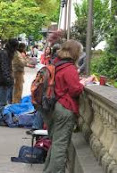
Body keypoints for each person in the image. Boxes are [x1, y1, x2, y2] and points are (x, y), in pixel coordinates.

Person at [41, 40, 84, 173]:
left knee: (55, 143)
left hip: (51, 107)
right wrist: (83, 84)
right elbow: (75, 90)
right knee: (60, 146)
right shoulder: (69, 68)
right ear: (75, 52)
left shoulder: (56, 63)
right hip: (64, 108)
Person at [0, 39, 19, 126]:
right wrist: (8, 79)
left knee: (2, 100)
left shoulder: (5, 52)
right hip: (2, 81)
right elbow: (5, 68)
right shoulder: (5, 54)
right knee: (1, 101)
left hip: (2, 80)